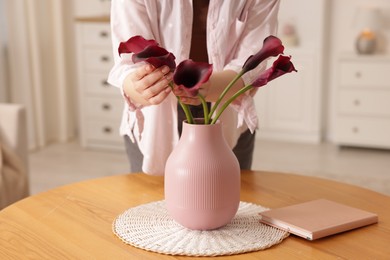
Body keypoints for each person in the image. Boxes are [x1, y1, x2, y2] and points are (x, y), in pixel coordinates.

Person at [108, 0, 281, 175]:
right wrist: (139, 87)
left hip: (227, 113)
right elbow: (129, 64)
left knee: (232, 197)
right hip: (155, 122)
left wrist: (208, 87)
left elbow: (253, 61)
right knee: (149, 198)